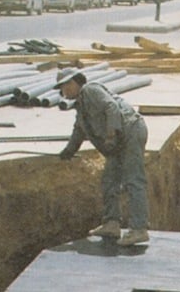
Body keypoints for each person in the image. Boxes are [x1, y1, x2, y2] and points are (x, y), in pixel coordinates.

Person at [56, 69, 150, 246]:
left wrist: (111, 134)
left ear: (75, 83)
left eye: (66, 86)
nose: (64, 91)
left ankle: (139, 229)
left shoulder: (90, 90)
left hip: (130, 133)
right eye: (62, 88)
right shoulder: (81, 107)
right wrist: (69, 150)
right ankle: (111, 223)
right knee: (109, 180)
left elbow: (111, 107)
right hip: (118, 142)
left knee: (133, 180)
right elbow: (79, 131)